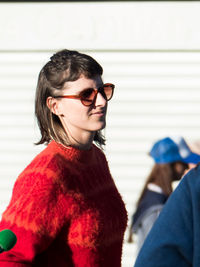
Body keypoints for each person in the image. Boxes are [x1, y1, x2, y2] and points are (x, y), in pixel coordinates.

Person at [0, 49, 128, 266]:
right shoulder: (46, 175)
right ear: (55, 105)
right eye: (86, 95)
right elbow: (8, 257)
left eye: (103, 90)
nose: (101, 101)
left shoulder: (95, 158)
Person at [128, 136, 200, 255]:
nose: (187, 167)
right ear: (172, 165)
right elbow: (155, 254)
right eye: (183, 163)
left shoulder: (154, 197)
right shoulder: (157, 208)